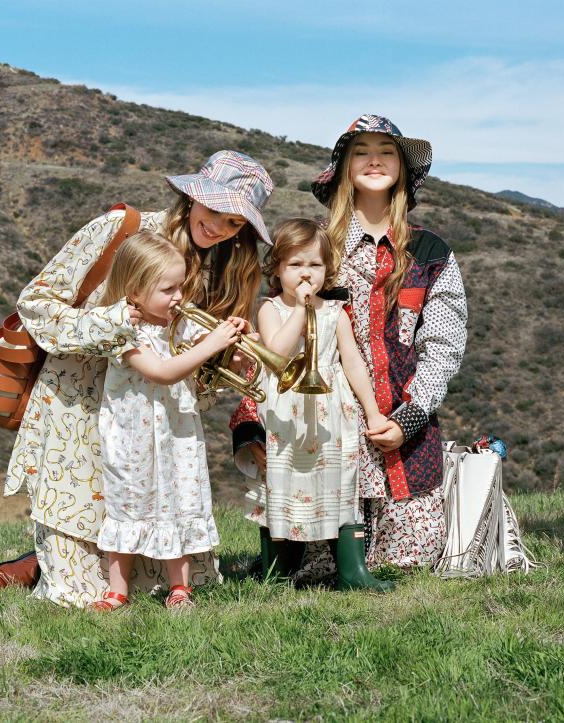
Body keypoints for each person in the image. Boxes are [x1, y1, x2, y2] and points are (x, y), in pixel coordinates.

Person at [0, 151, 274, 607]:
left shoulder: (223, 266)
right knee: (80, 596)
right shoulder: (121, 231)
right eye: (215, 211)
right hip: (77, 408)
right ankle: (42, 561)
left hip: (151, 422)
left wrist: (229, 365)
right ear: (192, 195)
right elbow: (37, 304)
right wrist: (120, 322)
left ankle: (58, 560)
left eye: (235, 223)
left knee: (166, 580)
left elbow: (189, 371)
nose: (220, 228)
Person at [232, 115, 467, 576]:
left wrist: (410, 417)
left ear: (402, 167)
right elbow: (268, 343)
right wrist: (250, 423)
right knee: (312, 561)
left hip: (397, 424)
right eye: (361, 150)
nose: (374, 159)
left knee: (411, 556)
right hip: (318, 420)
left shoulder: (431, 251)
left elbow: (443, 346)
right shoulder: (316, 244)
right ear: (343, 168)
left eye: (387, 150)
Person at [91, 231, 245, 611]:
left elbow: (211, 359)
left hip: (176, 434)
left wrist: (235, 349)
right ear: (135, 291)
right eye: (168, 289)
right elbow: (160, 371)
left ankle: (181, 588)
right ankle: (117, 589)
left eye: (181, 286)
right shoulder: (121, 331)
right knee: (127, 505)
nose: (179, 297)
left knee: (178, 501)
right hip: (132, 438)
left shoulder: (180, 323)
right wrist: (212, 344)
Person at [245, 218, 393, 591]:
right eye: (295, 265)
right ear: (277, 269)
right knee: (284, 482)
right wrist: (299, 309)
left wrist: (372, 412)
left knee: (338, 484)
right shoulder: (269, 308)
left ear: (327, 270)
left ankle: (351, 572)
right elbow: (276, 352)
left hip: (331, 413)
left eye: (314, 264)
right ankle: (276, 571)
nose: (305, 273)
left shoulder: (334, 311)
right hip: (286, 416)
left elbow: (353, 362)